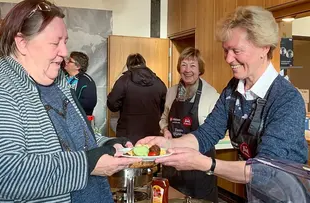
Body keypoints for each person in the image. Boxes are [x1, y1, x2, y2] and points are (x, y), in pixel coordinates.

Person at [137, 6, 308, 187]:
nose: (228, 59)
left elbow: (265, 171)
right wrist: (168, 145)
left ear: (264, 48)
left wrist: (206, 164)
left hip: (286, 194)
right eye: (226, 50)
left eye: (236, 51)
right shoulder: (233, 89)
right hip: (255, 191)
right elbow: (207, 134)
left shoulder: (287, 99)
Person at [0, 0, 140, 202]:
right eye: (55, 42)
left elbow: (75, 140)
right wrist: (88, 164)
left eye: (65, 41)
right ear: (22, 43)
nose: (63, 52)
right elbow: (3, 175)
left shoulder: (59, 82)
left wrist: (109, 144)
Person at [159, 47, 219, 202]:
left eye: (193, 66)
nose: (187, 70)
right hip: (173, 160)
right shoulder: (172, 92)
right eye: (184, 65)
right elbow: (164, 118)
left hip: (199, 161)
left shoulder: (211, 94)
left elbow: (213, 129)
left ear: (200, 70)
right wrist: (165, 129)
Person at [107, 53, 167, 144]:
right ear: (144, 64)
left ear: (128, 65)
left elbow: (112, 104)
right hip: (152, 132)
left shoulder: (123, 80)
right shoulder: (158, 81)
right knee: (151, 157)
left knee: (128, 157)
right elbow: (165, 106)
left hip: (128, 133)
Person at [64, 51, 97, 116]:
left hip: (79, 119)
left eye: (70, 61)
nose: (66, 62)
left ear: (78, 66)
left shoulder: (87, 82)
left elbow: (89, 105)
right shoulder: (63, 77)